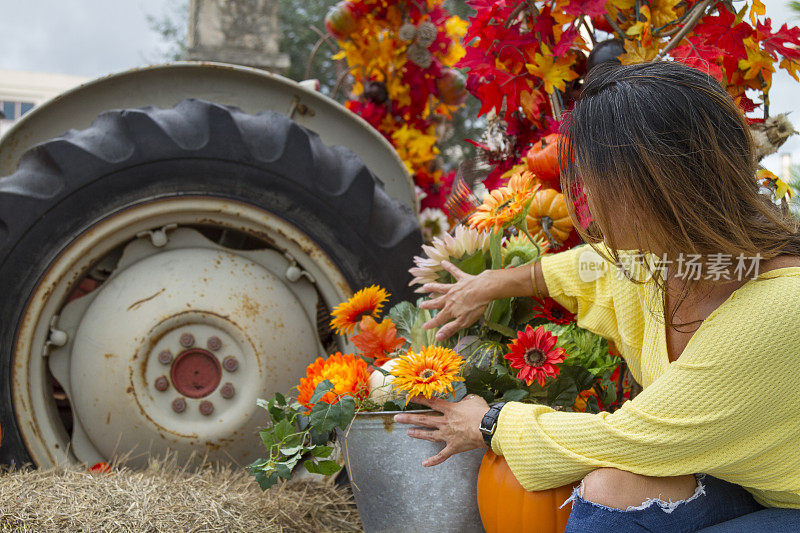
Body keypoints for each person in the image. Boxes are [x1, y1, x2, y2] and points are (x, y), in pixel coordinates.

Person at [394, 61, 800, 531]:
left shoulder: (778, 309)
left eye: (594, 183)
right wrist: (493, 283)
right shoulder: (674, 262)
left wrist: (490, 424)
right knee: (611, 489)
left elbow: (634, 438)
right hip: (749, 485)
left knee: (613, 477)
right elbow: (587, 270)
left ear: (651, 188)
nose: (584, 201)